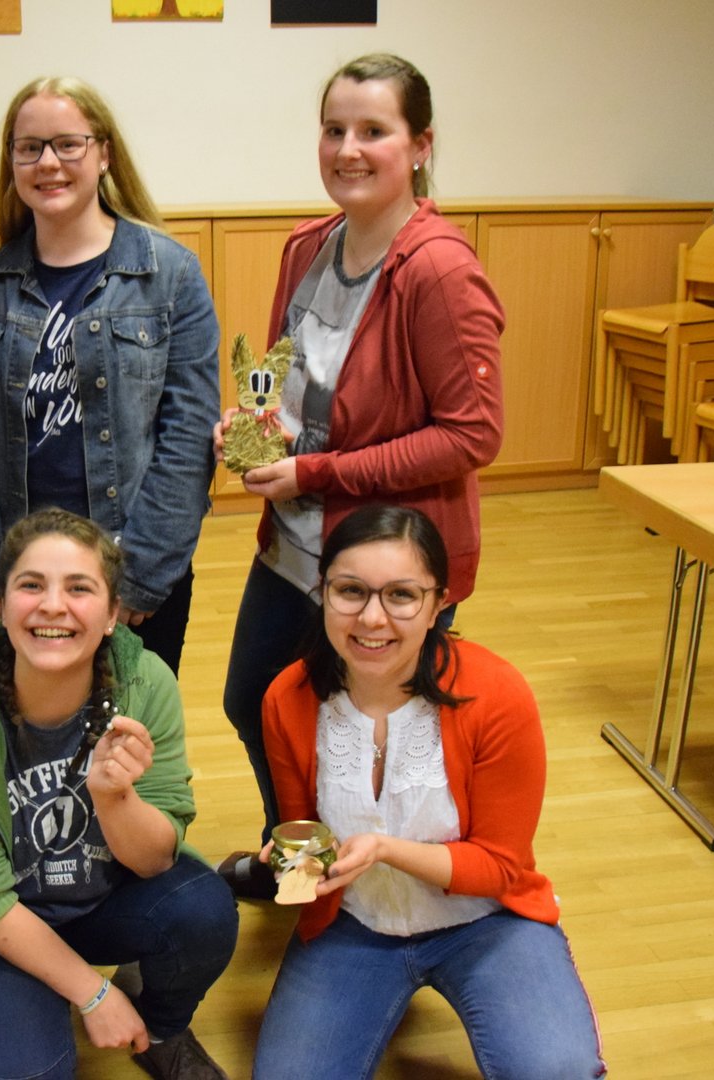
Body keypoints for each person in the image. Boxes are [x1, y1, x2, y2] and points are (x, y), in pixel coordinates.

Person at [217, 54, 505, 882]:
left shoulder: (439, 270)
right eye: (334, 129)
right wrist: (253, 428)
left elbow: (472, 434)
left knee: (366, 736)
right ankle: (302, 862)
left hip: (388, 562)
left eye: (373, 130)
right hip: (295, 547)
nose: (348, 148)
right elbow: (293, 386)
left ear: (420, 145)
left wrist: (317, 474)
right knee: (257, 703)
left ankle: (370, 886)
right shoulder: (308, 246)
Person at [249, 504, 604, 1079]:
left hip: (487, 923)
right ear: (323, 591)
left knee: (557, 1070)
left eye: (401, 596)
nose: (372, 618)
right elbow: (304, 850)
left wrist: (384, 850)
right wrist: (293, 869)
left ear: (439, 602)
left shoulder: (497, 693)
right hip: (354, 925)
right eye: (350, 591)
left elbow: (501, 868)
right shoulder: (286, 699)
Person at [0, 508, 237, 1080]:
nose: (53, 606)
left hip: (101, 902)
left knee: (203, 910)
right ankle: (22, 1002)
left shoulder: (145, 683)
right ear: (1, 604)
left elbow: (156, 860)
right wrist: (92, 993)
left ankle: (160, 1029)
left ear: (112, 615)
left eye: (79, 588)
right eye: (31, 585)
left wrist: (115, 799)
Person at [0, 76, 220, 676]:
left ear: (104, 154)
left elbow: (187, 437)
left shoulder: (169, 275)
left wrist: (141, 577)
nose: (48, 162)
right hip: (29, 574)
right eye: (29, 148)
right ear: (12, 162)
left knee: (133, 725)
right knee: (39, 724)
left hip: (135, 569)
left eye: (68, 144)